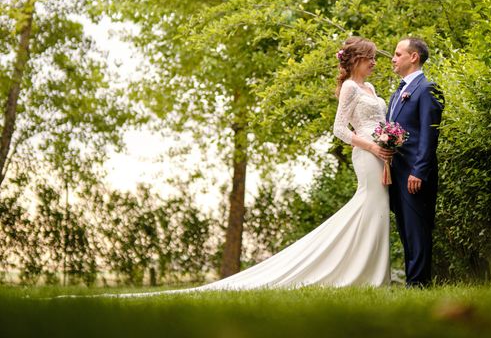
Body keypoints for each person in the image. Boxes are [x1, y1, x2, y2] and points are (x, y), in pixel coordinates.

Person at [103, 37, 393, 297]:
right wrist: (370, 145)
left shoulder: (371, 86)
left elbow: (377, 119)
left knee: (376, 209)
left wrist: (389, 140)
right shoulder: (350, 88)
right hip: (367, 154)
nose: (374, 63)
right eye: (370, 58)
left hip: (382, 152)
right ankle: (366, 275)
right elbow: (339, 129)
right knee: (369, 204)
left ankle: (372, 273)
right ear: (357, 59)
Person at [386, 38, 444, 288]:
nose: (393, 58)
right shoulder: (397, 92)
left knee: (417, 229)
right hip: (396, 173)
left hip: (415, 175)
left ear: (414, 57)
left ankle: (419, 283)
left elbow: (429, 136)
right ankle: (413, 280)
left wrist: (419, 171)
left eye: (398, 54)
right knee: (406, 230)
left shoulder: (428, 89)